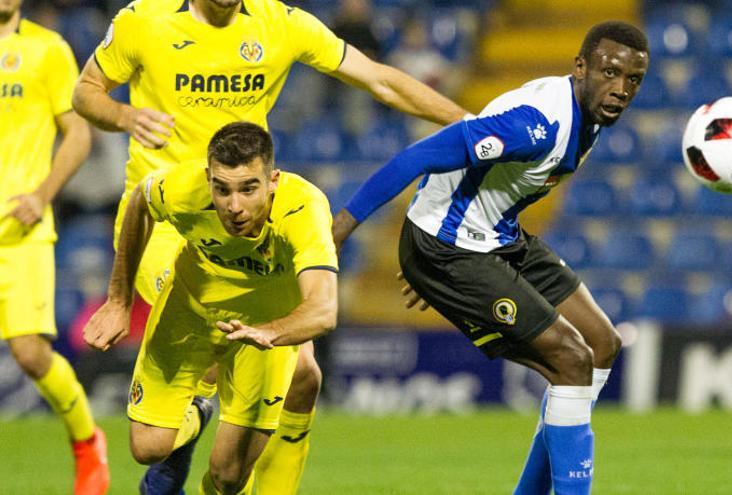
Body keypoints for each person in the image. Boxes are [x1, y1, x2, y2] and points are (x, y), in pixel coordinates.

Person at [70, 0, 467, 491]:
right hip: (169, 222)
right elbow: (86, 92)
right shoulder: (143, 20)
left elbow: (380, 79)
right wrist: (124, 115)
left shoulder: (280, 23)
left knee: (304, 376)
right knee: (218, 341)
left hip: (246, 214)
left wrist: (468, 122)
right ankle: (187, 421)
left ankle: (204, 429)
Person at [332, 21, 649, 495]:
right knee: (571, 359)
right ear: (580, 67)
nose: (620, 89)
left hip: (497, 235)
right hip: (450, 247)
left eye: (632, 80)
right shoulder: (536, 127)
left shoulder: (590, 114)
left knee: (601, 344)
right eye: (609, 72)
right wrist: (341, 231)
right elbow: (416, 157)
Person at [83, 122, 338, 494]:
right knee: (147, 447)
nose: (234, 206)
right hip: (188, 314)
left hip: (262, 334)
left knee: (228, 478)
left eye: (249, 188)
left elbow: (323, 308)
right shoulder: (184, 188)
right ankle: (199, 412)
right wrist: (120, 300)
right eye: (222, 189)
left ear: (273, 181)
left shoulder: (303, 209)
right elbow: (141, 200)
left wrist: (270, 331)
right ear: (208, 179)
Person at [0, 2, 109, 494]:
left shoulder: (47, 49)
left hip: (20, 231)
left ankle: (87, 444)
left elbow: (78, 134)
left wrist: (41, 195)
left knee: (29, 355)